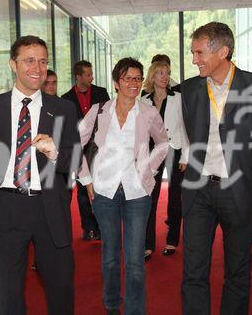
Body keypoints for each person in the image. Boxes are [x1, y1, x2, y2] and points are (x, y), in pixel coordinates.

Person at [181, 22, 252, 315]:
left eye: (199, 52)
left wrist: (250, 174)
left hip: (238, 192)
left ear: (223, 51)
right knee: (193, 271)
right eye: (193, 53)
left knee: (237, 273)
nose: (194, 60)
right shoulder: (190, 90)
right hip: (198, 191)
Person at [0, 35, 80, 315]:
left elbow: (76, 161)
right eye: (29, 60)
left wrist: (54, 153)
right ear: (13, 64)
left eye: (43, 61)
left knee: (60, 287)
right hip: (6, 207)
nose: (38, 67)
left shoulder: (63, 109)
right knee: (8, 293)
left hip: (50, 208)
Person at [78, 57, 169, 315]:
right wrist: (86, 179)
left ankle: (134, 310)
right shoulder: (98, 111)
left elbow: (163, 143)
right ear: (117, 82)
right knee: (109, 258)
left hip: (137, 193)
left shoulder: (149, 113)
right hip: (104, 192)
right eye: (128, 78)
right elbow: (75, 144)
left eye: (138, 78)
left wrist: (148, 169)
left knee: (135, 262)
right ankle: (111, 306)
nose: (134, 83)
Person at [141, 61, 189, 260]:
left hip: (176, 149)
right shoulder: (143, 100)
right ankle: (148, 243)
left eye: (167, 73)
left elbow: (186, 127)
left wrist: (186, 155)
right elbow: (141, 132)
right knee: (150, 197)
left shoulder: (178, 98)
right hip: (153, 151)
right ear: (152, 76)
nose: (165, 76)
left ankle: (172, 240)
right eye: (160, 73)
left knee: (175, 197)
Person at [62, 60, 109, 241]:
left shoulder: (101, 93)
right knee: (82, 189)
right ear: (78, 76)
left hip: (98, 146)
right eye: (88, 74)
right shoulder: (66, 99)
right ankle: (88, 227)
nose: (92, 77)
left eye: (91, 73)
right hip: (78, 146)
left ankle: (100, 226)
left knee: (100, 186)